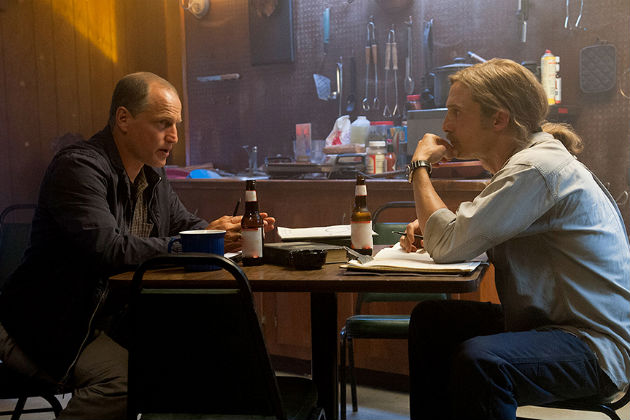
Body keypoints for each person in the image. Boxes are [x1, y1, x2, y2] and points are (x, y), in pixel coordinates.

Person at [0, 72, 275, 419]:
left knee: (200, 348)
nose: (174, 136)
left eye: (175, 125)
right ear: (123, 119)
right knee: (129, 381)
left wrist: (221, 232)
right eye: (163, 124)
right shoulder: (78, 167)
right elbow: (109, 249)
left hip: (105, 320)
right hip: (44, 326)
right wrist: (197, 243)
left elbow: (185, 225)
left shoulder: (151, 174)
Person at [400, 59, 630, 420]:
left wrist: (419, 167)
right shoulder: (529, 163)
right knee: (434, 321)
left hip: (593, 348)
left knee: (482, 362)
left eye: (456, 112)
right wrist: (437, 228)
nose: (445, 125)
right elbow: (461, 235)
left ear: (498, 119)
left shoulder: (534, 168)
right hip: (555, 326)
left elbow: (447, 246)